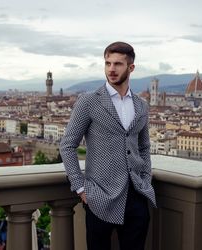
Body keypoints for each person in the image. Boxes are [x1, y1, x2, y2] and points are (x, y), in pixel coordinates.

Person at [60, 41, 156, 250]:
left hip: (136, 196)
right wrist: (81, 188)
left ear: (131, 68)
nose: (111, 69)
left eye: (118, 64)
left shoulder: (141, 105)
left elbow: (144, 147)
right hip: (99, 197)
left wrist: (146, 179)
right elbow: (67, 145)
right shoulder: (88, 102)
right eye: (107, 63)